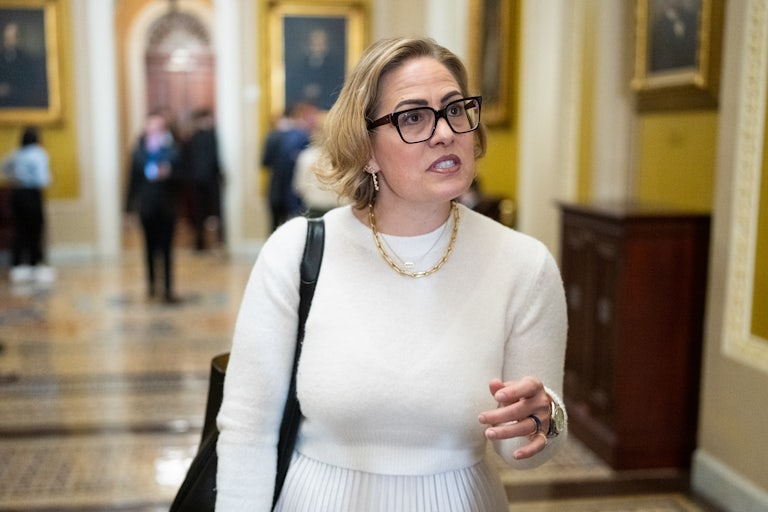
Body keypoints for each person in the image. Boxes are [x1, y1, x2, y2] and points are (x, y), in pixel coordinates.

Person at [216, 37, 568, 511]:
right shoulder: (294, 252)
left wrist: (544, 421)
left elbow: (520, 452)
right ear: (366, 149)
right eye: (413, 117)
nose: (445, 132)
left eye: (455, 109)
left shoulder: (524, 264)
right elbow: (247, 429)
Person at [125, 112, 181, 303]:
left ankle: (167, 289)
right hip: (146, 207)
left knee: (166, 249)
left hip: (167, 206)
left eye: (159, 127)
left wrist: (170, 173)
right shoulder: (138, 151)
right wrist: (128, 209)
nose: (155, 130)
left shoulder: (172, 150)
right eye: (152, 126)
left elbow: (182, 177)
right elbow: (132, 181)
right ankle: (151, 286)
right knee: (149, 248)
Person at [2, 126, 55, 283]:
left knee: (21, 229)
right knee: (36, 229)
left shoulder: (16, 154)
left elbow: (4, 168)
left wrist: (15, 177)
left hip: (17, 194)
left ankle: (18, 265)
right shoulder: (38, 154)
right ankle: (35, 264)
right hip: (32, 194)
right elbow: (42, 178)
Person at [261, 102, 318, 231]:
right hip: (293, 194)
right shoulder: (301, 137)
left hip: (276, 190)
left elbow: (265, 163)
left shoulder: (273, 135)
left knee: (274, 230)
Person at [183, 108, 224, 251]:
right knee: (211, 211)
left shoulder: (193, 137)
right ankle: (215, 242)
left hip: (198, 180)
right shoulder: (209, 136)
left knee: (202, 212)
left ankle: (201, 243)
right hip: (207, 180)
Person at [292, 113, 344, 218]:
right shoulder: (343, 157)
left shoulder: (306, 156)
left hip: (314, 207)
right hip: (338, 210)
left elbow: (299, 186)